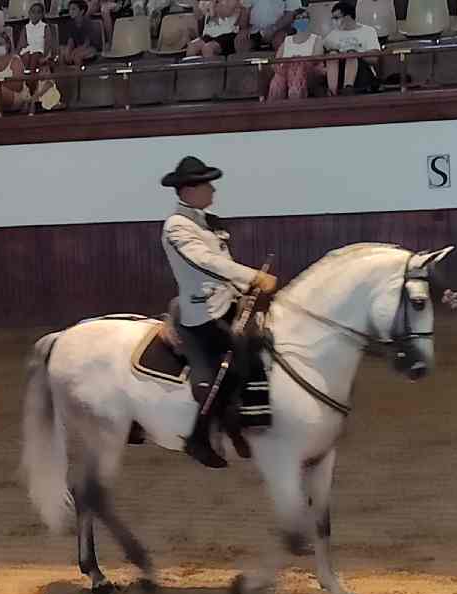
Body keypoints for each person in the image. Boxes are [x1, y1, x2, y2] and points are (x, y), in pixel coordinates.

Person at [159, 156, 277, 469]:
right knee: (231, 363)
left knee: (268, 337)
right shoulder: (176, 227)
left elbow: (224, 262)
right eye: (206, 184)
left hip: (228, 301)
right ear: (188, 190)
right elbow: (205, 262)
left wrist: (244, 289)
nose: (213, 189)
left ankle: (253, 415)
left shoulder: (208, 221)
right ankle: (198, 437)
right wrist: (252, 276)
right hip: (202, 311)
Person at [322, 0, 379, 95]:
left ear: (347, 17)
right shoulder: (332, 34)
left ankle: (348, 88)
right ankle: (332, 91)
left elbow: (374, 59)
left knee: (351, 54)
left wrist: (355, 53)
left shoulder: (368, 31)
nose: (334, 21)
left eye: (336, 18)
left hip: (362, 73)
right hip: (338, 72)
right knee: (332, 55)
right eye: (333, 18)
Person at [267, 10, 319, 99]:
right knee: (278, 78)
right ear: (293, 23)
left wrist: (296, 63)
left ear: (309, 20)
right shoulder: (287, 40)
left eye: (304, 17)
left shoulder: (316, 38)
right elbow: (276, 61)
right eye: (299, 18)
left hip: (306, 72)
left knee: (297, 68)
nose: (302, 20)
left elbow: (317, 58)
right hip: (285, 72)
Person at [59, 0, 102, 66]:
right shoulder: (70, 24)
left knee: (77, 56)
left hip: (91, 47)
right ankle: (64, 73)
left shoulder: (88, 23)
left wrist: (75, 51)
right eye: (70, 9)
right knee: (62, 53)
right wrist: (68, 51)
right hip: (78, 46)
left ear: (81, 11)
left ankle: (78, 74)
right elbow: (71, 41)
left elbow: (87, 43)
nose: (71, 12)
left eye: (73, 9)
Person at [18, 2, 55, 74]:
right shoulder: (26, 27)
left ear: (42, 15)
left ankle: (31, 78)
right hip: (28, 49)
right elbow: (21, 43)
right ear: (29, 13)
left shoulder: (45, 27)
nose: (35, 15)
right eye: (33, 12)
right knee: (26, 56)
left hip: (40, 50)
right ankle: (25, 76)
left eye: (38, 12)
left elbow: (48, 43)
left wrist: (45, 56)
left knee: (35, 56)